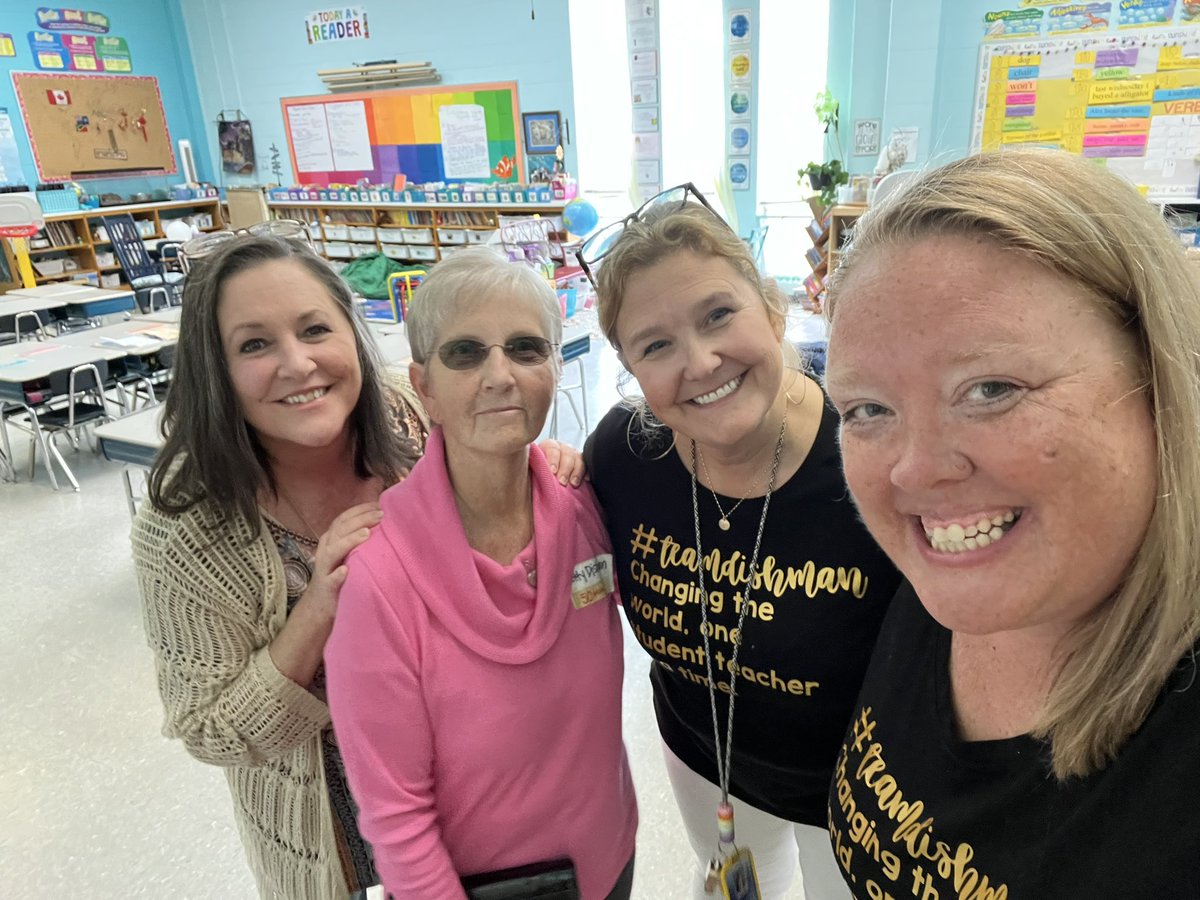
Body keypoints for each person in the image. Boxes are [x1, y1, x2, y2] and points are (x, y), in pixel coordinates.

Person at [130, 235, 583, 899]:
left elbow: (497, 457)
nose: (298, 363)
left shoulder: (409, 412)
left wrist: (543, 464)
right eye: (254, 345)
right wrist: (318, 607)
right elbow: (209, 730)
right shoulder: (186, 533)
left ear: (352, 330)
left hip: (478, 799)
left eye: (316, 329)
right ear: (215, 369)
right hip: (336, 833)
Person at [822, 148, 1200, 897]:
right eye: (868, 410)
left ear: (1160, 376)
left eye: (991, 388)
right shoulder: (949, 574)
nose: (914, 471)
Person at [581, 185, 900, 899]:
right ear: (630, 369)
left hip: (855, 792)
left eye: (719, 314)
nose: (698, 362)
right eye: (656, 345)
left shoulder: (870, 454)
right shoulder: (623, 459)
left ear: (774, 306)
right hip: (703, 759)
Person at [324, 246, 638, 900]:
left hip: (610, 861)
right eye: (466, 353)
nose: (501, 375)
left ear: (556, 367)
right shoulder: (380, 581)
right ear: (425, 386)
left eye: (527, 349)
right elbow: (395, 814)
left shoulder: (584, 506)